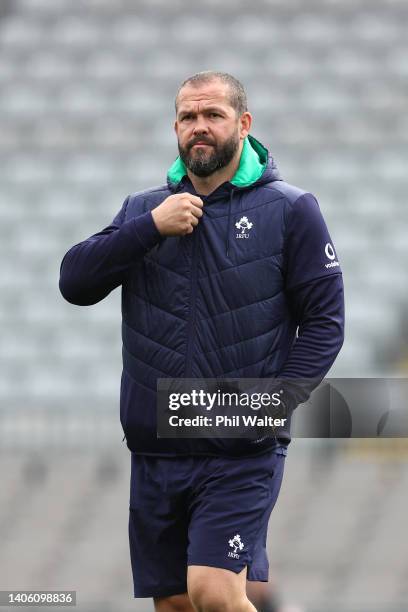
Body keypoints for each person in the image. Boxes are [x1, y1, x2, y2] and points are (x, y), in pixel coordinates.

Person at [59, 71, 344, 612]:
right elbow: (74, 283)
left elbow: (326, 322)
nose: (200, 128)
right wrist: (149, 227)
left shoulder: (290, 208)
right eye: (189, 117)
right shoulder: (145, 210)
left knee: (214, 591)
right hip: (156, 447)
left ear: (243, 123)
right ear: (175, 127)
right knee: (174, 604)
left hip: (239, 447)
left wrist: (270, 406)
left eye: (213, 115)